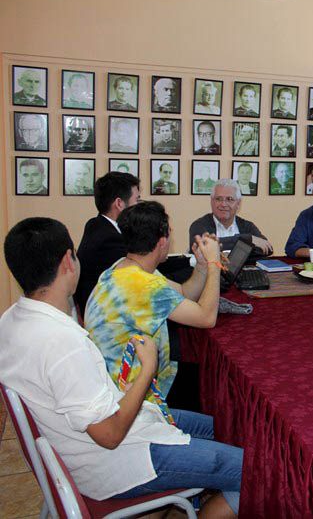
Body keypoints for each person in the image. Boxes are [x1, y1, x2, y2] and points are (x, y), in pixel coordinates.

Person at [0, 217, 242, 516]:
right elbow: (110, 434)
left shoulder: (11, 320)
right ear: (68, 261)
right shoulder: (60, 343)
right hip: (119, 461)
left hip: (115, 432)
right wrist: (148, 369)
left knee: (236, 428)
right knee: (256, 470)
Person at [85, 201, 222, 401]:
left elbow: (184, 293)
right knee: (213, 403)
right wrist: (214, 263)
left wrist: (201, 265)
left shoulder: (125, 268)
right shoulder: (143, 285)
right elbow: (207, 317)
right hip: (134, 399)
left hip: (121, 384)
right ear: (161, 242)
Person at [75, 172, 141, 315]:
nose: (139, 207)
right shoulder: (109, 239)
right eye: (137, 200)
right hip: (106, 317)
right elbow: (142, 270)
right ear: (119, 203)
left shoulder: (96, 224)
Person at [189, 179, 273, 254]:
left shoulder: (247, 226)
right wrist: (247, 240)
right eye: (218, 199)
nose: (223, 204)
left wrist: (225, 244)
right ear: (211, 201)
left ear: (238, 203)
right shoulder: (199, 225)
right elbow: (204, 247)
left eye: (229, 199)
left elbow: (268, 249)